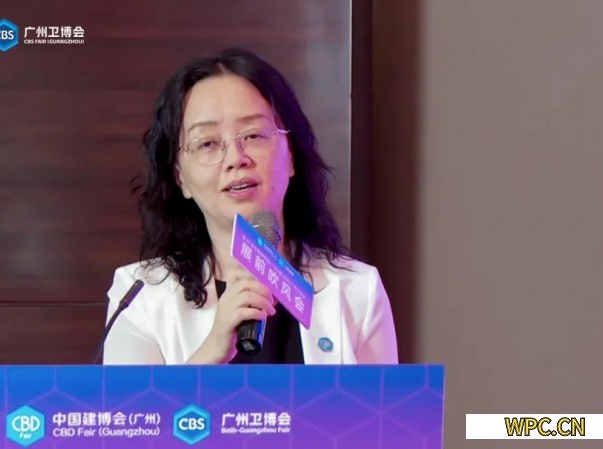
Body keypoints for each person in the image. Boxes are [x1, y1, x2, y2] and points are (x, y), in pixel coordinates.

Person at [102, 48, 398, 365]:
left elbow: (381, 400)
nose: (236, 158)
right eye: (207, 143)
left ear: (291, 156)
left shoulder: (357, 290)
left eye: (254, 135)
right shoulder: (140, 296)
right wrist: (212, 351)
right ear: (180, 178)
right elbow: (134, 401)